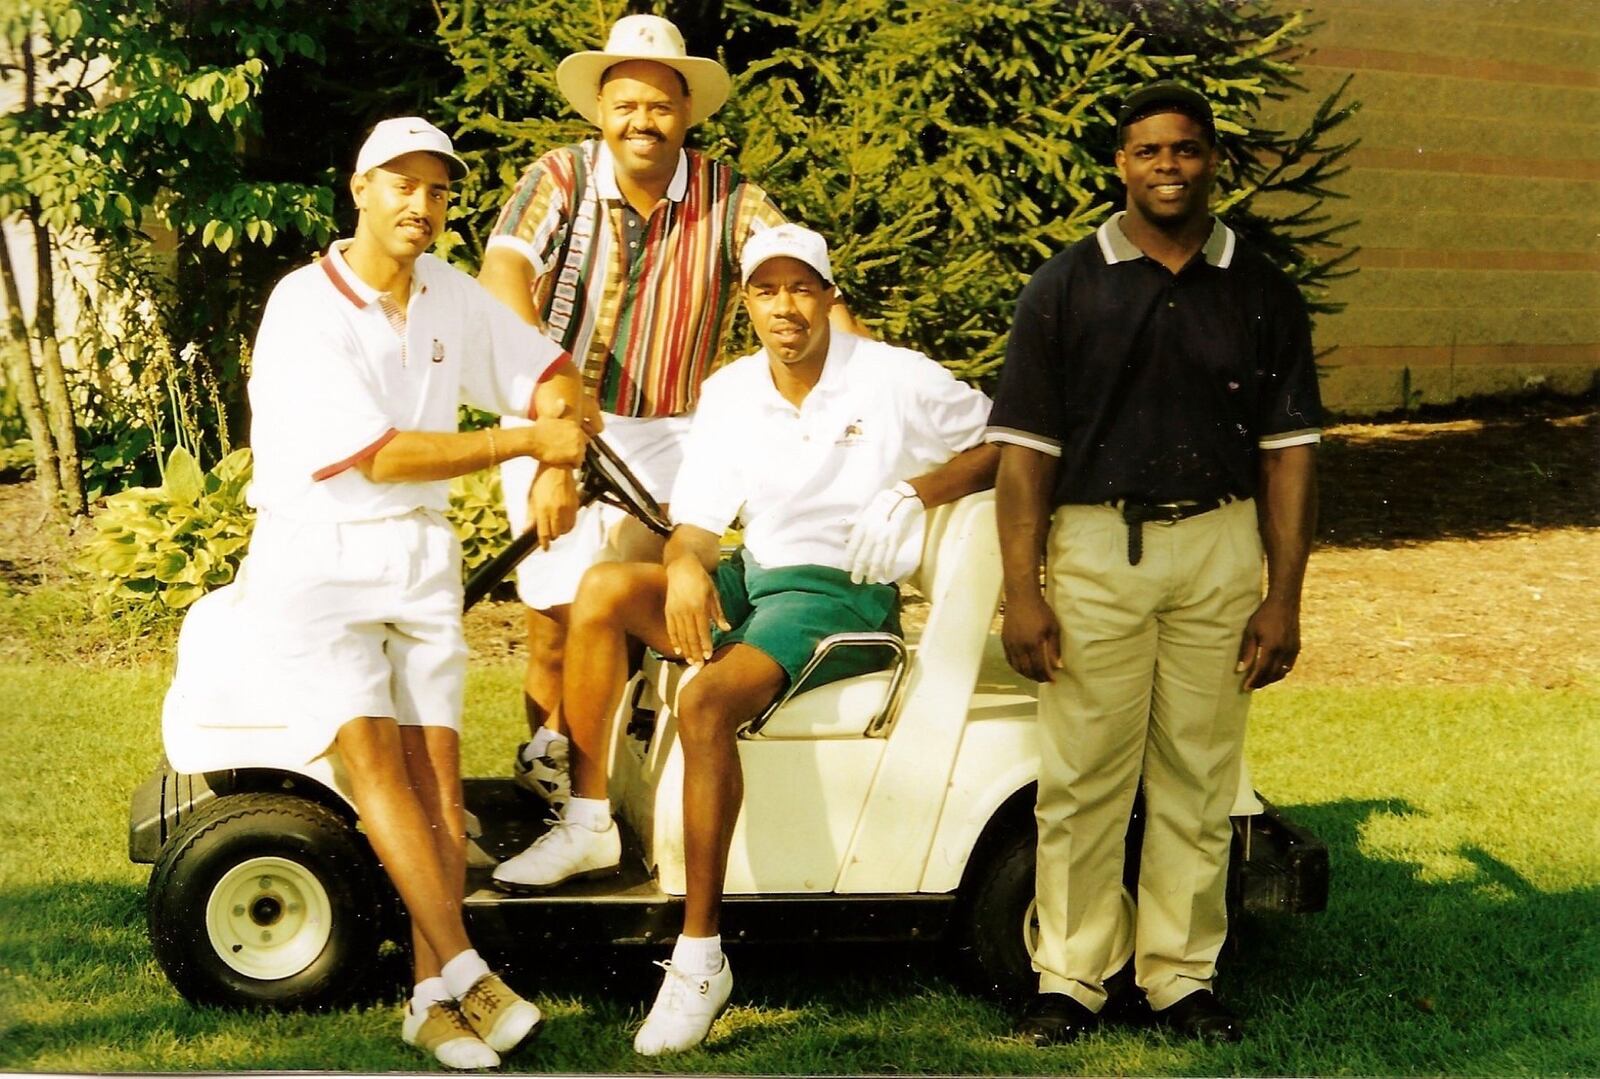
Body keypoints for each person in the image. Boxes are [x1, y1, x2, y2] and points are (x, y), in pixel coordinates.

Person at [493, 224, 999, 1054]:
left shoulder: (893, 377)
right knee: (605, 588)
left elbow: (1003, 439)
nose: (786, 307)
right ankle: (587, 819)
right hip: (755, 575)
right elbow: (696, 523)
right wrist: (689, 568)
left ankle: (699, 957)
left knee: (705, 700)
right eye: (767, 291)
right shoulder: (731, 390)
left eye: (802, 288)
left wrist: (916, 487)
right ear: (748, 304)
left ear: (831, 296)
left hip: (840, 592)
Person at [161, 118, 598, 1070]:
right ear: (358, 191)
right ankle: (469, 969)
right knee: (378, 771)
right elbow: (383, 455)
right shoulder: (303, 306)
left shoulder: (449, 292)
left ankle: (428, 1001)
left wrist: (561, 447)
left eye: (438, 191)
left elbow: (552, 373)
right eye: (402, 185)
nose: (421, 205)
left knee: (440, 780)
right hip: (316, 558)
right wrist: (527, 444)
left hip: (418, 556)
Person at [987, 82, 1321, 1045]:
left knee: (1198, 772)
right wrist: (1024, 592)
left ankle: (1181, 976)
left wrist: (1282, 595)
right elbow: (1024, 457)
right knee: (1086, 773)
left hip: (1219, 543)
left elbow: (1289, 453)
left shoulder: (1258, 286)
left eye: (1184, 150)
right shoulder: (1066, 284)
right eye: (1147, 152)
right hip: (1096, 545)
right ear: (1121, 164)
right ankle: (1072, 975)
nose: (1167, 167)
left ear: (1212, 159)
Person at [475, 14, 791, 824]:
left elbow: (800, 278)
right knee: (553, 616)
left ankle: (613, 772)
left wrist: (868, 379)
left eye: (658, 107)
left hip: (675, 429)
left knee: (624, 598)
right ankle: (550, 765)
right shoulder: (560, 177)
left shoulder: (729, 195)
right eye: (626, 105)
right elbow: (503, 269)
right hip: (558, 408)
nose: (641, 122)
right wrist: (553, 406)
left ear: (686, 114)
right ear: (600, 110)